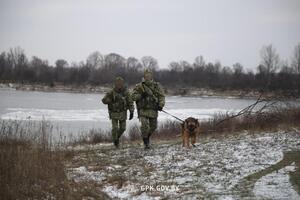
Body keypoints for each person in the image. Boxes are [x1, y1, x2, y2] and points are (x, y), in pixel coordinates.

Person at [132, 69, 165, 149]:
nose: (148, 77)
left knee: (153, 127)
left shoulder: (156, 86)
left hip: (153, 109)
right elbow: (133, 97)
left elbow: (161, 96)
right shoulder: (139, 86)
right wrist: (141, 95)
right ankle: (145, 141)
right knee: (144, 126)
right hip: (143, 109)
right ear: (144, 76)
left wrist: (161, 105)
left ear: (151, 76)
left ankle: (146, 137)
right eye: (146, 75)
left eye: (149, 75)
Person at [102, 77, 134, 148]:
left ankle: (116, 138)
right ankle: (116, 141)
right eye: (117, 83)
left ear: (123, 83)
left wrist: (132, 111)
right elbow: (104, 100)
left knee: (123, 128)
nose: (119, 84)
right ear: (115, 83)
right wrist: (110, 100)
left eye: (120, 83)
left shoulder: (126, 92)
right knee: (115, 128)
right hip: (114, 113)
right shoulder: (111, 92)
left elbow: (130, 102)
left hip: (123, 112)